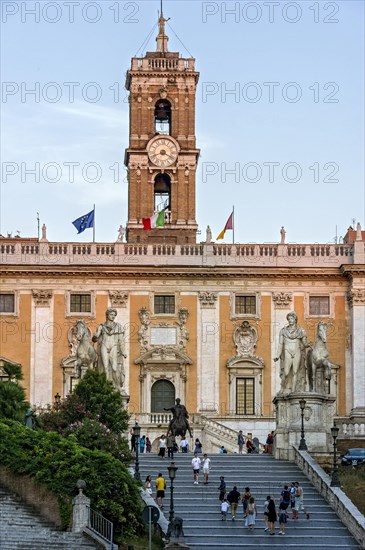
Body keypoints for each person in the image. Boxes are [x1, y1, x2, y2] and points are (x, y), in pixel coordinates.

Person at [274, 311, 309, 393]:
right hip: (287, 350)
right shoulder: (283, 331)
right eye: (289, 319)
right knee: (286, 372)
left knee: (295, 371)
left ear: (295, 319)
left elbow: (304, 343)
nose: (290, 320)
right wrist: (278, 355)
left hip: (297, 351)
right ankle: (283, 387)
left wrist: (307, 344)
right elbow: (280, 344)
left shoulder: (301, 331)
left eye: (292, 318)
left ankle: (293, 391)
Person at [92, 308, 126, 388]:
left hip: (113, 347)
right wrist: (95, 337)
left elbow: (121, 341)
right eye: (111, 314)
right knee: (105, 367)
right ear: (107, 315)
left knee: (114, 368)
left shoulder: (118, 326)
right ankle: (106, 386)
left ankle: (117, 386)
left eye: (114, 315)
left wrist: (123, 351)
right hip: (104, 346)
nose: (113, 316)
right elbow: (95, 338)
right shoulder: (101, 326)